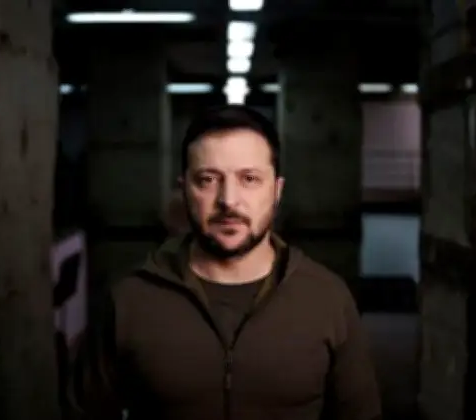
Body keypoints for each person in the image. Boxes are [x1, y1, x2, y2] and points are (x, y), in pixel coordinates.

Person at [68, 105, 381, 420]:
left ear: (277, 190)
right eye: (207, 180)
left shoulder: (327, 298)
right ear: (184, 190)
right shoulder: (129, 300)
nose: (228, 200)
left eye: (249, 179)